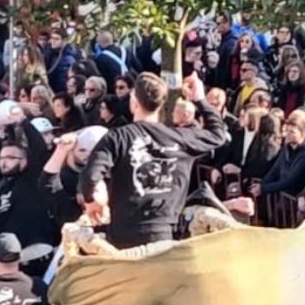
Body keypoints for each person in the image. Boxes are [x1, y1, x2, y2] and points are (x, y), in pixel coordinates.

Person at [79, 73, 228, 249]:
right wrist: (200, 99)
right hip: (164, 234)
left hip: (123, 234)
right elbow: (218, 134)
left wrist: (92, 201)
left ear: (134, 102)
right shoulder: (181, 138)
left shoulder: (117, 138)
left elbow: (90, 176)